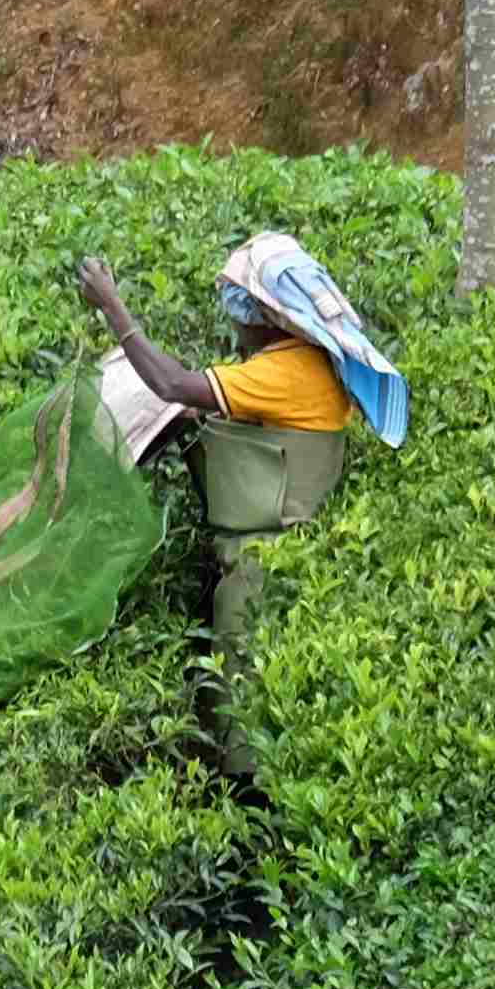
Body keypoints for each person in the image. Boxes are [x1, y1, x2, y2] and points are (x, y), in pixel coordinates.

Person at [73, 233, 408, 670]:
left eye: (240, 314)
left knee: (237, 685)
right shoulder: (306, 362)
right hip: (279, 556)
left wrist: (112, 306)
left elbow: (172, 385)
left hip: (259, 567)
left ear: (266, 318)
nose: (236, 325)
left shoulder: (287, 373)